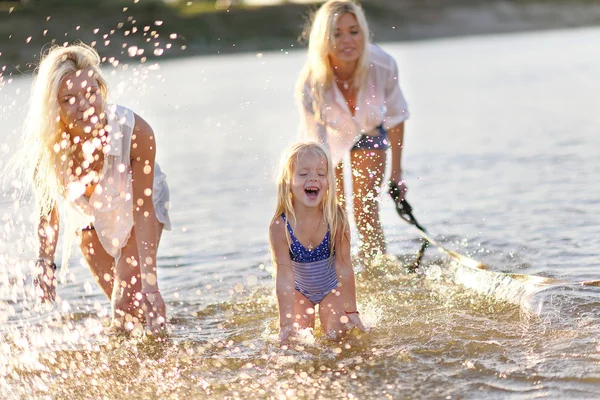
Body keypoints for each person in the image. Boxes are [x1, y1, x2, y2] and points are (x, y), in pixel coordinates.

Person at [12, 43, 171, 332]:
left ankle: (162, 356)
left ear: (101, 89)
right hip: (87, 216)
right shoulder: (45, 150)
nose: (84, 106)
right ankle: (133, 364)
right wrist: (45, 263)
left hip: (136, 207)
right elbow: (48, 211)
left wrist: (152, 286)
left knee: (129, 303)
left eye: (90, 93)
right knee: (126, 313)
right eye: (68, 99)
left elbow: (143, 210)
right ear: (53, 107)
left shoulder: (135, 132)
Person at [296, 0, 410, 263]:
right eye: (337, 33)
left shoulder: (383, 64)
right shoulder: (311, 81)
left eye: (353, 31)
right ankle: (338, 268)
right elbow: (317, 143)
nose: (347, 40)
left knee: (365, 209)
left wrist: (397, 175)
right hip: (328, 139)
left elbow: (396, 117)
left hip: (369, 129)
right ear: (324, 38)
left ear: (363, 33)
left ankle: (376, 269)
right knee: (335, 209)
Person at [269, 141, 365, 345]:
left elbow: (344, 266)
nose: (313, 178)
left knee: (338, 336)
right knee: (297, 341)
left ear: (329, 181)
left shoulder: (336, 218)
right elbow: (285, 276)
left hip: (331, 288)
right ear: (288, 181)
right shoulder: (280, 226)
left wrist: (352, 310)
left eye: (321, 174)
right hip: (299, 291)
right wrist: (284, 323)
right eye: (303, 174)